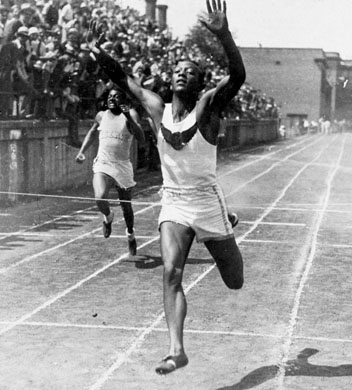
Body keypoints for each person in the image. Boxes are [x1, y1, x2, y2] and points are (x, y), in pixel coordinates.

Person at [87, 0, 244, 375]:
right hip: (173, 203)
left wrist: (223, 35)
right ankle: (177, 350)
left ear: (199, 82)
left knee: (235, 281)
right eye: (177, 70)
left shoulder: (208, 106)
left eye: (190, 72)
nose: (181, 74)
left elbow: (236, 76)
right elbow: (124, 79)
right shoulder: (156, 108)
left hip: (207, 202)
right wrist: (98, 53)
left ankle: (228, 224)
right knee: (171, 272)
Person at [75, 87, 144, 255]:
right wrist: (82, 151)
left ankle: (130, 234)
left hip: (122, 166)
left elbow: (141, 137)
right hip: (103, 164)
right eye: (110, 96)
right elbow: (92, 132)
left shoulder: (131, 114)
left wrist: (127, 116)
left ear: (123, 100)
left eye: (117, 96)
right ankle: (108, 216)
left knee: (126, 208)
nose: (112, 99)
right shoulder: (101, 115)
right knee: (100, 197)